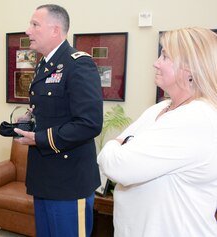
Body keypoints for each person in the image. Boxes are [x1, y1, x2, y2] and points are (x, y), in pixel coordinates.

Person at [97, 27, 217, 236]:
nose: (156, 62)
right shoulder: (160, 109)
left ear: (190, 69)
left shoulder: (196, 117)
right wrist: (117, 147)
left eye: (165, 56)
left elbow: (118, 167)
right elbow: (112, 160)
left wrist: (116, 144)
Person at [14, 4, 103, 237]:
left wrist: (40, 138)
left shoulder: (78, 63)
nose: (28, 31)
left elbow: (89, 123)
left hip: (69, 182)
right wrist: (31, 120)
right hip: (44, 178)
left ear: (55, 30)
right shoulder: (44, 64)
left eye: (35, 25)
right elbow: (54, 112)